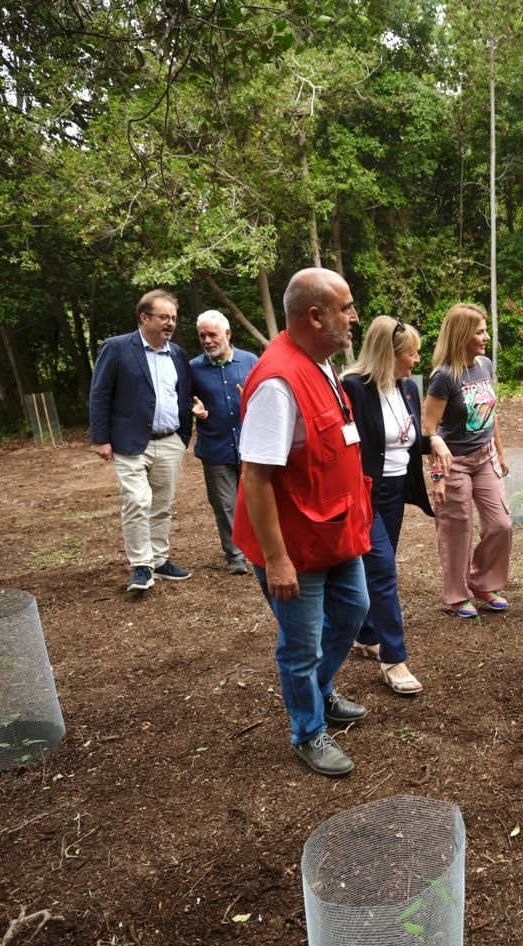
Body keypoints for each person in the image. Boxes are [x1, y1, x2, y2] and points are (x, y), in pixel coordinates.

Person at [234, 267, 373, 778]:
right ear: (316, 316)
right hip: (295, 545)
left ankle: (321, 689)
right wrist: (276, 559)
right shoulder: (277, 383)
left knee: (355, 610)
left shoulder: (322, 364)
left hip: (333, 532)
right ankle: (308, 731)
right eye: (347, 307)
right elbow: (255, 478)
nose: (354, 317)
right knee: (300, 644)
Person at [343, 315, 450, 696]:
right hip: (365, 494)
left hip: (395, 493)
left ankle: (367, 634)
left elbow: (405, 438)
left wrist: (431, 442)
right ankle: (393, 658)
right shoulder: (353, 388)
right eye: (411, 352)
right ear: (388, 353)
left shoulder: (407, 389)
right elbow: (349, 444)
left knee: (377, 570)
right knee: (384, 570)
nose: (416, 359)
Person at [88, 288, 203, 595]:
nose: (170, 324)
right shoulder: (117, 348)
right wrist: (100, 438)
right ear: (144, 317)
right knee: (138, 502)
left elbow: (183, 394)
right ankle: (141, 566)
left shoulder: (177, 353)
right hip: (130, 442)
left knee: (162, 505)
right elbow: (99, 394)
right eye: (164, 317)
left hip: (169, 442)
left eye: (174, 318)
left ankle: (160, 559)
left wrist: (183, 434)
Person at [422, 302, 512, 618]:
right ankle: (457, 595)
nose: (486, 337)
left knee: (501, 524)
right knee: (456, 531)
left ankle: (482, 581)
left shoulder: (485, 365)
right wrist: (438, 477)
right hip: (454, 463)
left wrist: (500, 453)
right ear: (462, 335)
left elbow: (490, 413)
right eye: (480, 331)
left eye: (485, 330)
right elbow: (429, 430)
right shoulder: (444, 377)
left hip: (485, 457)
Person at [188, 310, 258, 575]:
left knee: (258, 498)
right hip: (215, 447)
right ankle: (236, 556)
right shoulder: (193, 369)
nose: (206, 340)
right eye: (202, 335)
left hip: (250, 446)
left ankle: (262, 547)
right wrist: (193, 409)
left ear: (227, 334)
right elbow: (183, 399)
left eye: (212, 334)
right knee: (225, 504)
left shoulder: (250, 361)